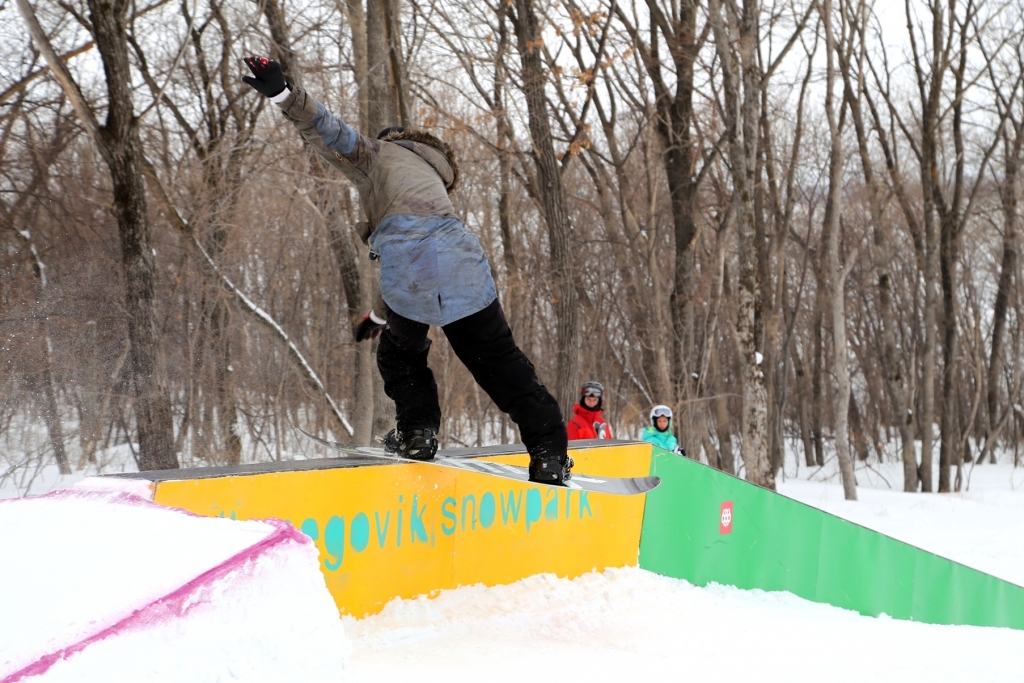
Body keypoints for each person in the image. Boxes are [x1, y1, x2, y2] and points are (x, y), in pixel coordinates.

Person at [241, 57, 572, 483]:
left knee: (401, 354)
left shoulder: (380, 152)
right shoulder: (434, 177)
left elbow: (330, 130)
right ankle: (548, 452)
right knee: (499, 362)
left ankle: (418, 432)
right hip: (463, 265)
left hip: (409, 275)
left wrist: (285, 94)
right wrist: (379, 314)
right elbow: (427, 249)